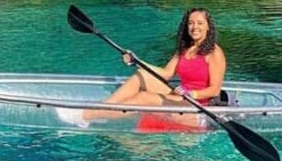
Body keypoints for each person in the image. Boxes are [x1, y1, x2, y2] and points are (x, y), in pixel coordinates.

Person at [57, 8, 227, 130]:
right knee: (142, 75)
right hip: (180, 94)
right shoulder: (185, 49)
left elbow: (215, 89)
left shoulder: (214, 52)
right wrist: (137, 61)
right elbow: (166, 73)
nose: (194, 27)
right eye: (191, 23)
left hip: (196, 105)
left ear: (208, 27)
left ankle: (84, 117)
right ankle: (101, 110)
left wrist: (192, 94)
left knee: (143, 98)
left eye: (199, 23)